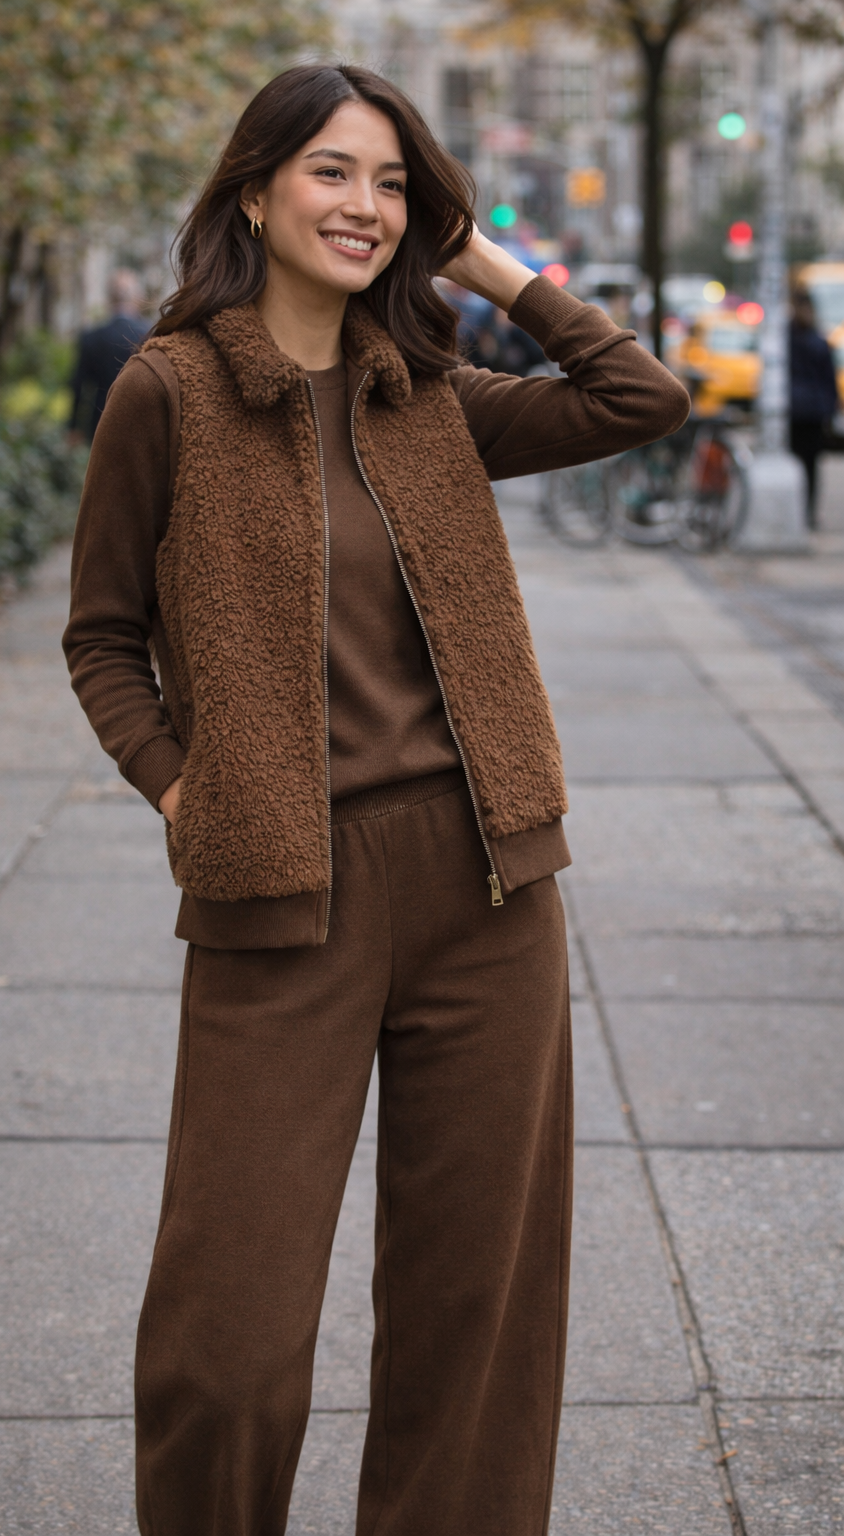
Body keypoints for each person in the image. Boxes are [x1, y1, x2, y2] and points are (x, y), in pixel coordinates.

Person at [63, 63, 688, 1536]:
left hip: (488, 890)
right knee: (227, 1342)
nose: (366, 205)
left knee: (476, 1314)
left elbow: (637, 396)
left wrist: (484, 260)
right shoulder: (169, 391)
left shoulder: (431, 397)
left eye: (394, 183)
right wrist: (177, 787)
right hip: (280, 889)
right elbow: (100, 637)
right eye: (333, 172)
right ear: (255, 190)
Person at [68, 268, 150, 440]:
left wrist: (74, 426)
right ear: (137, 298)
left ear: (109, 299)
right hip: (141, 425)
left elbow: (79, 385)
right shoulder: (150, 335)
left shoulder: (92, 337)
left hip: (100, 423)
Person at [789, 289, 838, 528]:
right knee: (807, 466)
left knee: (804, 464)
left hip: (801, 412)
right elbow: (828, 380)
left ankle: (803, 512)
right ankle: (805, 513)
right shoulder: (814, 340)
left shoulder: (793, 338)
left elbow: (828, 379)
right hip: (807, 412)